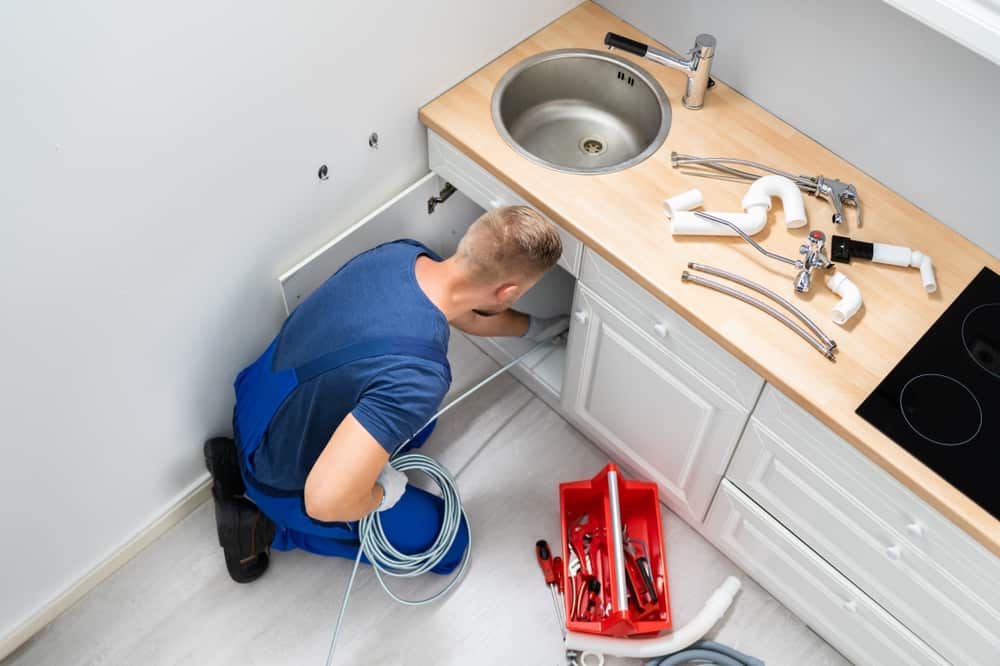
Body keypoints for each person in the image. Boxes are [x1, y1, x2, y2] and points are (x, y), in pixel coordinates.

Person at [203, 205, 569, 582]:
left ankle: (236, 467)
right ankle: (265, 527)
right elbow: (325, 500)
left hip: (256, 408)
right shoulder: (420, 375)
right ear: (507, 293)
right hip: (281, 476)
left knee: (421, 423)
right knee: (450, 547)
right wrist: (381, 495)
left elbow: (468, 314)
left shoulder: (404, 256)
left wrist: (535, 328)